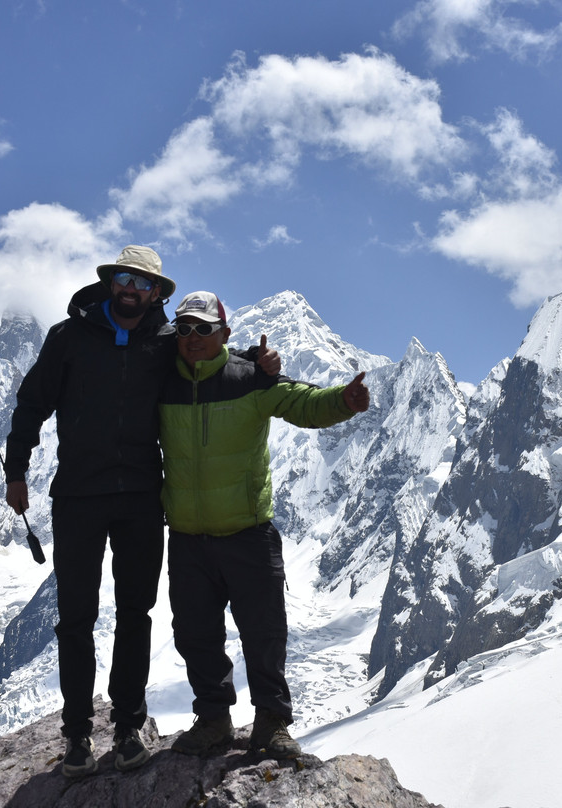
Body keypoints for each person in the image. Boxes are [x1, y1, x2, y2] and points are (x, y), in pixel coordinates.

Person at [3, 248, 279, 778]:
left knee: (135, 614)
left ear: (158, 293)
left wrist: (261, 364)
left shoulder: (165, 341)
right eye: (123, 278)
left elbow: (212, 357)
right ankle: (79, 734)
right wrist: (16, 472)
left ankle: (128, 727)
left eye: (143, 282)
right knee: (76, 619)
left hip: (140, 500)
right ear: (111, 283)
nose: (132, 288)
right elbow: (32, 401)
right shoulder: (68, 337)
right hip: (79, 497)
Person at [159, 290, 370, 760]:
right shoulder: (161, 381)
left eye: (203, 329)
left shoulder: (250, 377)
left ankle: (272, 723)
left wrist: (344, 401)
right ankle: (213, 720)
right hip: (189, 537)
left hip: (248, 532)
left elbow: (302, 402)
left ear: (224, 335)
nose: (192, 338)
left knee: (264, 632)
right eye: (184, 329)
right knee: (195, 633)